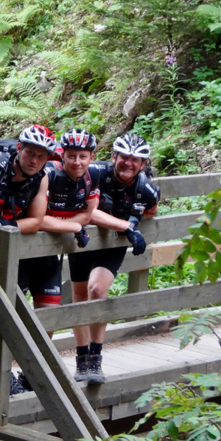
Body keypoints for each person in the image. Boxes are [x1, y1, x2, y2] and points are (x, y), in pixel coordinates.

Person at [69, 132, 159, 385]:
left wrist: (135, 220)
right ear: (114, 157)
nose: (128, 163)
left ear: (142, 164)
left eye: (135, 159)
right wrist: (126, 225)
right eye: (124, 157)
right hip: (82, 240)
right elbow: (85, 212)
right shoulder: (95, 173)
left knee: (97, 290)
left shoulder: (146, 188)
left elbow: (152, 210)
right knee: (79, 297)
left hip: (111, 246)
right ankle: (81, 357)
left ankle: (95, 357)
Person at [0, 123, 56, 394]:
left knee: (6, 312)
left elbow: (35, 221)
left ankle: (5, 376)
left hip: (6, 249)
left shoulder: (41, 177)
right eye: (30, 153)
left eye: (41, 156)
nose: (34, 161)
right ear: (19, 148)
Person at [35, 129, 101, 320]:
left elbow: (86, 216)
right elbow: (37, 219)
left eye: (82, 156)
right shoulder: (49, 173)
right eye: (71, 156)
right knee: (13, 308)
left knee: (49, 311)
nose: (77, 162)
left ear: (91, 157)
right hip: (26, 247)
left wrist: (58, 224)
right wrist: (74, 227)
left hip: (51, 253)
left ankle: (41, 351)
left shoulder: (92, 176)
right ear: (62, 155)